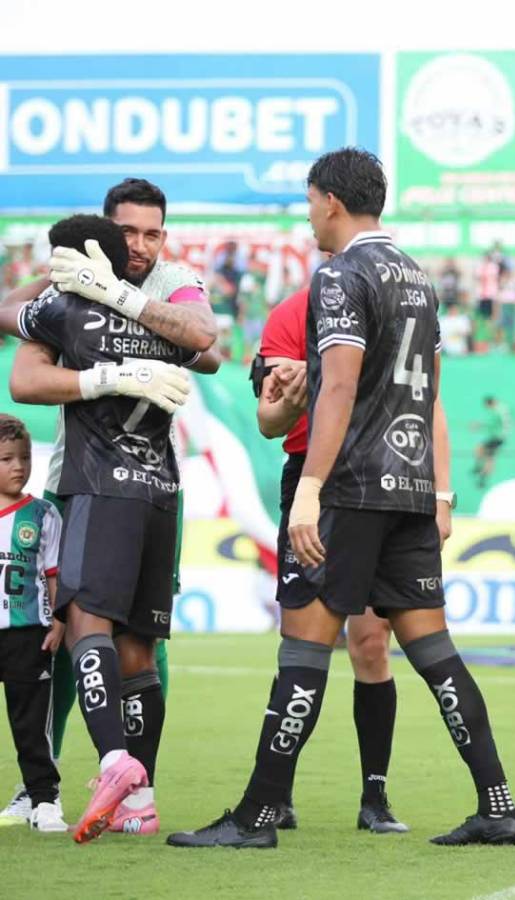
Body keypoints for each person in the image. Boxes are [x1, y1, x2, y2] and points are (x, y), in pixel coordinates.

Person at [166, 148, 515, 849]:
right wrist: (439, 491)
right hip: (411, 489)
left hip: (353, 491)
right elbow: (430, 394)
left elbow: (337, 388)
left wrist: (309, 492)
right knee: (434, 649)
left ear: (330, 200)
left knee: (304, 644)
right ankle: (499, 802)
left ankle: (258, 817)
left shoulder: (340, 275)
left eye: (308, 203)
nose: (308, 217)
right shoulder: (419, 279)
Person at [0, 177, 220, 835]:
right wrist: (60, 276)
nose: (142, 245)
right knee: (78, 639)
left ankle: (122, 770)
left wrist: (105, 299)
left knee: (98, 631)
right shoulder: (70, 288)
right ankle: (75, 789)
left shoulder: (167, 283)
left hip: (106, 486)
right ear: (105, 229)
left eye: (154, 233)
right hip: (128, 484)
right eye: (129, 232)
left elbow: (205, 339)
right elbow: (200, 346)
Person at [251, 284, 456, 834]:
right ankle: (276, 796)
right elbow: (269, 423)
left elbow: (430, 402)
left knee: (370, 645)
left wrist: (441, 494)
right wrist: (296, 391)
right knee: (302, 648)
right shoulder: (291, 314)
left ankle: (375, 798)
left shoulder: (394, 304)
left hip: (381, 490)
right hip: (315, 491)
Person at [0, 415, 66, 832]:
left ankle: (44, 800)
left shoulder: (42, 515)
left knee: (30, 726)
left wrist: (58, 621)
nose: (19, 466)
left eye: (24, 457)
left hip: (28, 633)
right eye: (7, 459)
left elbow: (53, 574)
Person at [471, 396, 509, 489]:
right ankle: (480, 471)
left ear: (489, 404)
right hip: (497, 437)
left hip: (496, 438)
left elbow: (490, 423)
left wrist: (477, 425)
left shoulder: (497, 411)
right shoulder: (502, 408)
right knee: (484, 453)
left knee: (488, 457)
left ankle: (481, 475)